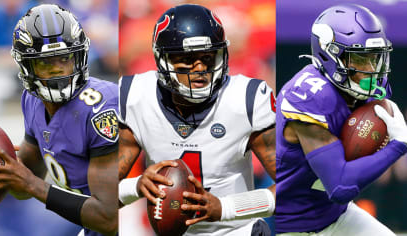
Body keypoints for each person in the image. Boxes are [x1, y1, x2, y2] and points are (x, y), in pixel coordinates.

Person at [117, 4, 276, 236]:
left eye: (208, 57)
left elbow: (292, 185)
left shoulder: (246, 99)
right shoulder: (135, 96)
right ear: (164, 60)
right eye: (188, 59)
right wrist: (136, 186)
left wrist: (226, 208)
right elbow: (99, 194)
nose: (200, 68)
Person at [276, 4, 407, 236]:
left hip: (336, 213)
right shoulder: (310, 97)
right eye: (359, 58)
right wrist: (397, 146)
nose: (371, 70)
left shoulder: (365, 86)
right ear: (329, 54)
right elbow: (340, 186)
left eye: (374, 58)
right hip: (294, 225)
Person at [0, 4, 118, 236]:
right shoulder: (32, 99)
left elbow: (109, 218)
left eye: (65, 58)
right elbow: (24, 186)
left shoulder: (101, 108)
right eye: (46, 63)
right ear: (27, 66)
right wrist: (2, 171)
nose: (58, 70)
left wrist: (29, 183)